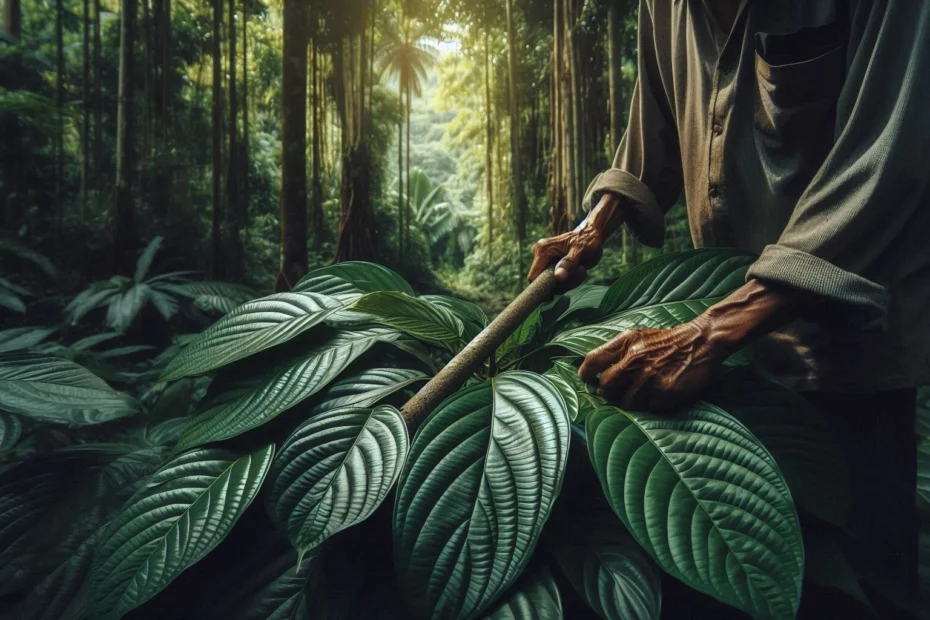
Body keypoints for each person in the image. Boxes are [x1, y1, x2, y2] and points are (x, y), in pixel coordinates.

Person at [529, 1, 929, 617]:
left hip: (849, 358)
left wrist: (704, 334)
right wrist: (593, 226)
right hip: (729, 360)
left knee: (864, 582)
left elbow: (889, 159)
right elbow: (651, 133)